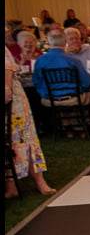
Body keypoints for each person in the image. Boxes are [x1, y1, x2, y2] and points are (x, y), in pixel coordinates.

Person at [5, 46, 55, 198]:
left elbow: (7, 68)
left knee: (24, 137)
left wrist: (7, 89)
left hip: (12, 98)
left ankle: (40, 181)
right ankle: (11, 184)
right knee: (8, 141)